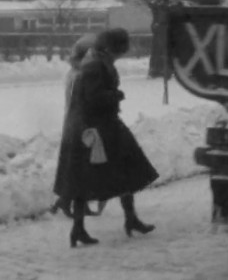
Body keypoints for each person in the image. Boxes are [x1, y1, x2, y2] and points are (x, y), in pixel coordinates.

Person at [63, 28, 159, 247]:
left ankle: (129, 219)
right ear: (112, 47)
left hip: (101, 125)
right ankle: (80, 228)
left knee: (123, 172)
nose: (120, 55)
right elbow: (93, 97)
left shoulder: (97, 60)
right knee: (91, 178)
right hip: (96, 129)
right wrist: (116, 95)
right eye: (120, 50)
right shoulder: (95, 65)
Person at [51, 34, 105, 219]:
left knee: (81, 166)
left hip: (78, 123)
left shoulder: (76, 72)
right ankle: (66, 201)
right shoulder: (78, 75)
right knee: (78, 166)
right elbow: (80, 102)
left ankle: (75, 201)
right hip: (79, 125)